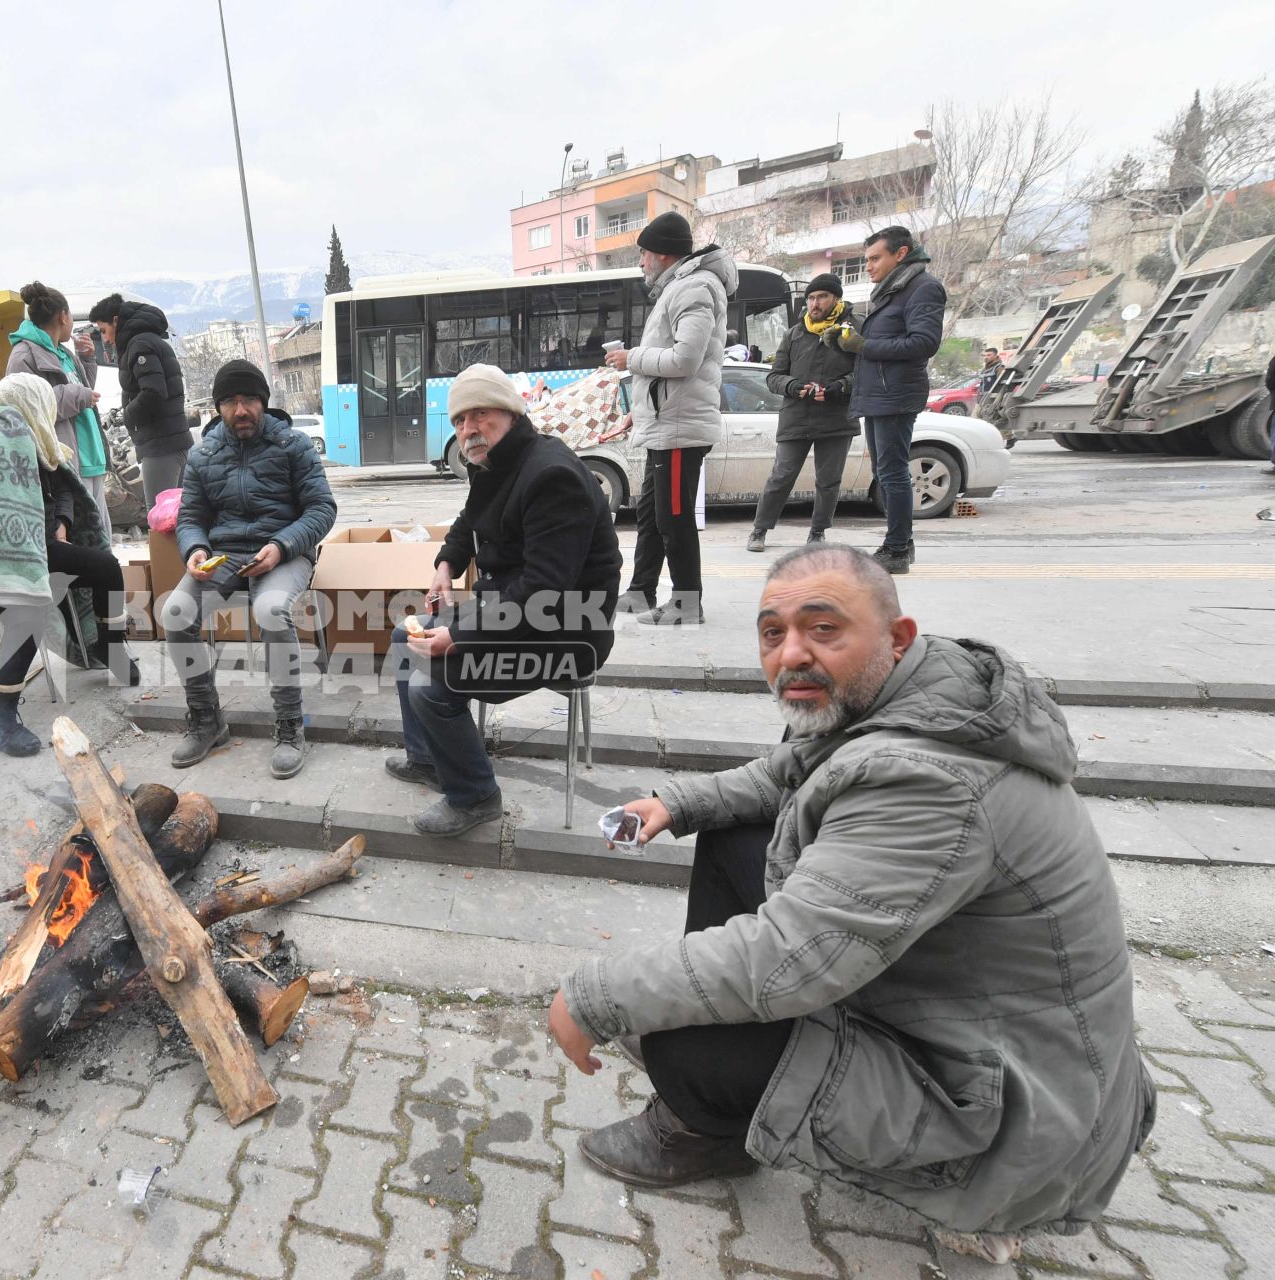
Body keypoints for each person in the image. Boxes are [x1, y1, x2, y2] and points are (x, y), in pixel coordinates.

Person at [547, 544, 1153, 1266]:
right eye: (773, 633)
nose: (792, 654)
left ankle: (708, 1124)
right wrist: (675, 804)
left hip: (1007, 1109)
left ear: (896, 639)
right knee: (734, 835)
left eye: (823, 628)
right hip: (966, 1021)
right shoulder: (908, 698)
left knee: (686, 1032)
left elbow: (784, 961)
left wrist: (591, 999)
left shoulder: (927, 779)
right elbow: (788, 772)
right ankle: (723, 1091)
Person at [385, 363, 621, 835]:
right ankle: (430, 758)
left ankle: (475, 795)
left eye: (479, 414)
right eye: (458, 420)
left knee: (431, 685)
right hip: (517, 611)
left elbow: (545, 592)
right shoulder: (495, 464)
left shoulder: (551, 475)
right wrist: (445, 565)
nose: (468, 428)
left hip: (566, 631)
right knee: (403, 637)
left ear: (510, 413)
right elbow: (468, 521)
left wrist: (458, 635)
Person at [0, 373, 137, 756]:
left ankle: (109, 648)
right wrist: (29, 562)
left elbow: (61, 489)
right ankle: (1, 721)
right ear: (33, 405)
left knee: (105, 566)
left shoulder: (35, 441)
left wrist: (61, 524)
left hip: (32, 547)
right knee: (28, 610)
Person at [163, 359, 335, 779]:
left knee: (270, 610)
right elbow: (190, 518)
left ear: (263, 401)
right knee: (175, 614)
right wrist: (196, 549)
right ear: (218, 407)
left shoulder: (293, 445)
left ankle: (290, 724)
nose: (241, 410)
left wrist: (281, 545)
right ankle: (207, 719)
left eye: (250, 400)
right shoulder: (203, 455)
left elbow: (322, 508)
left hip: (285, 551)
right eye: (231, 402)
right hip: (224, 555)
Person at [606, 211, 738, 626]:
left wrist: (631, 358)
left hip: (680, 429)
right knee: (651, 514)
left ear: (662, 254)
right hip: (666, 423)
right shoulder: (680, 287)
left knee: (674, 517)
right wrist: (636, 413)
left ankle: (686, 603)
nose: (641, 262)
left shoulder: (695, 287)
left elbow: (684, 359)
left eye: (644, 253)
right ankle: (641, 592)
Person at [835, 225, 948, 575]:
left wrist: (864, 345)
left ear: (900, 254)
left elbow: (923, 343)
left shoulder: (923, 287)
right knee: (885, 471)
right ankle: (902, 542)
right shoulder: (893, 290)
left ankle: (896, 549)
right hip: (880, 393)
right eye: (866, 259)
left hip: (895, 394)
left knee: (894, 472)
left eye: (874, 258)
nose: (867, 266)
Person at [746, 273, 857, 553]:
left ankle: (818, 532)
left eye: (822, 297)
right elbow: (774, 378)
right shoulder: (794, 334)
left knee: (829, 480)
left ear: (836, 299)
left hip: (837, 418)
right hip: (797, 415)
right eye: (811, 298)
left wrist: (838, 388)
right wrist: (795, 387)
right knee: (781, 476)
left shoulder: (852, 330)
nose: (814, 303)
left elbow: (865, 373)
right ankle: (759, 529)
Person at [7, 282, 113, 539]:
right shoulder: (23, 355)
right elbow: (26, 406)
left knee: (101, 536)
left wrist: (87, 360)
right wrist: (77, 395)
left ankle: (108, 579)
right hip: (66, 459)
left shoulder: (62, 352)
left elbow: (84, 392)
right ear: (63, 316)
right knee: (83, 538)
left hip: (90, 455)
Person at [87, 293, 192, 503]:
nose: (105, 339)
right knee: (181, 517)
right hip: (173, 441)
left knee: (160, 519)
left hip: (161, 447)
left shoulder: (139, 345)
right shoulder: (147, 340)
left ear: (116, 320)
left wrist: (128, 414)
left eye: (104, 331)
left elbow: (153, 392)